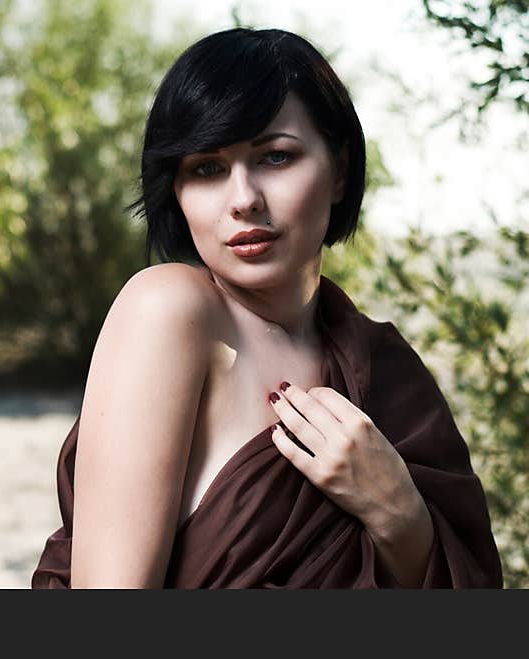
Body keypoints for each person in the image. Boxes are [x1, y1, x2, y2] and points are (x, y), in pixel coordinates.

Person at [31, 28, 503, 588]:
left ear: (340, 172)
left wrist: (396, 509)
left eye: (276, 157)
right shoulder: (169, 310)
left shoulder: (386, 369)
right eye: (206, 168)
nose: (243, 199)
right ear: (175, 192)